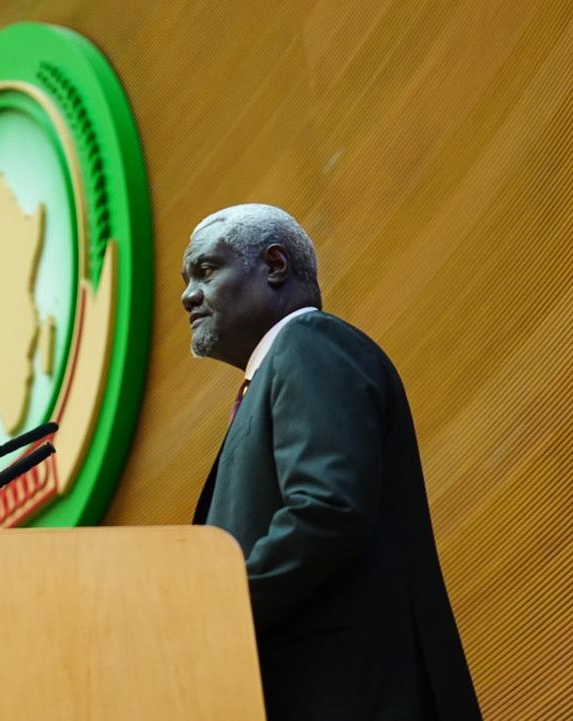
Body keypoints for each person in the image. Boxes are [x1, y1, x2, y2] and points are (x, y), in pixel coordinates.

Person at [183, 204, 482, 721]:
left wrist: (215, 611)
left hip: (353, 694)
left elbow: (326, 510)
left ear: (275, 266)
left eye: (206, 270)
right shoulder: (271, 379)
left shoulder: (309, 342)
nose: (187, 295)